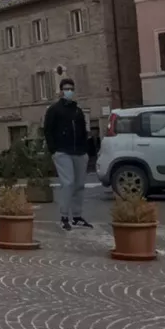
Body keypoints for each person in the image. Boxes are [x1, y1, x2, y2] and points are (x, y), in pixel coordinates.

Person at [44, 77, 91, 230]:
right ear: (61, 91)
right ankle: (64, 216)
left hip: (79, 152)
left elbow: (84, 131)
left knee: (79, 185)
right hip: (62, 151)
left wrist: (86, 151)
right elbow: (48, 131)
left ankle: (77, 216)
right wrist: (54, 150)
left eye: (71, 89)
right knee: (68, 183)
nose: (69, 91)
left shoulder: (77, 110)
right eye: (66, 89)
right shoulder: (54, 110)